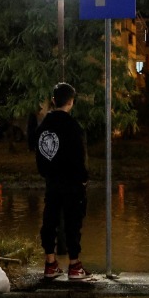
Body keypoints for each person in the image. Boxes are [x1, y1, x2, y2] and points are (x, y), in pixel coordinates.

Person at [34, 82, 94, 282]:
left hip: (51, 181)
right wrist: (83, 180)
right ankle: (74, 265)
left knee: (49, 220)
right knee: (72, 222)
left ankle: (50, 263)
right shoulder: (72, 127)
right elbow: (79, 157)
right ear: (71, 102)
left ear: (53, 101)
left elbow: (38, 151)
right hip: (72, 183)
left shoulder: (45, 125)